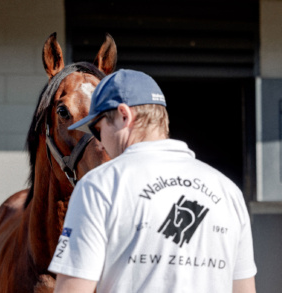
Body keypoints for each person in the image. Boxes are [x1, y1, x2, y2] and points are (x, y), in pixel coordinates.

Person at [48, 69, 257, 293]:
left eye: (98, 130)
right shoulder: (228, 192)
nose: (101, 144)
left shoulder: (99, 186)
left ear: (123, 115)